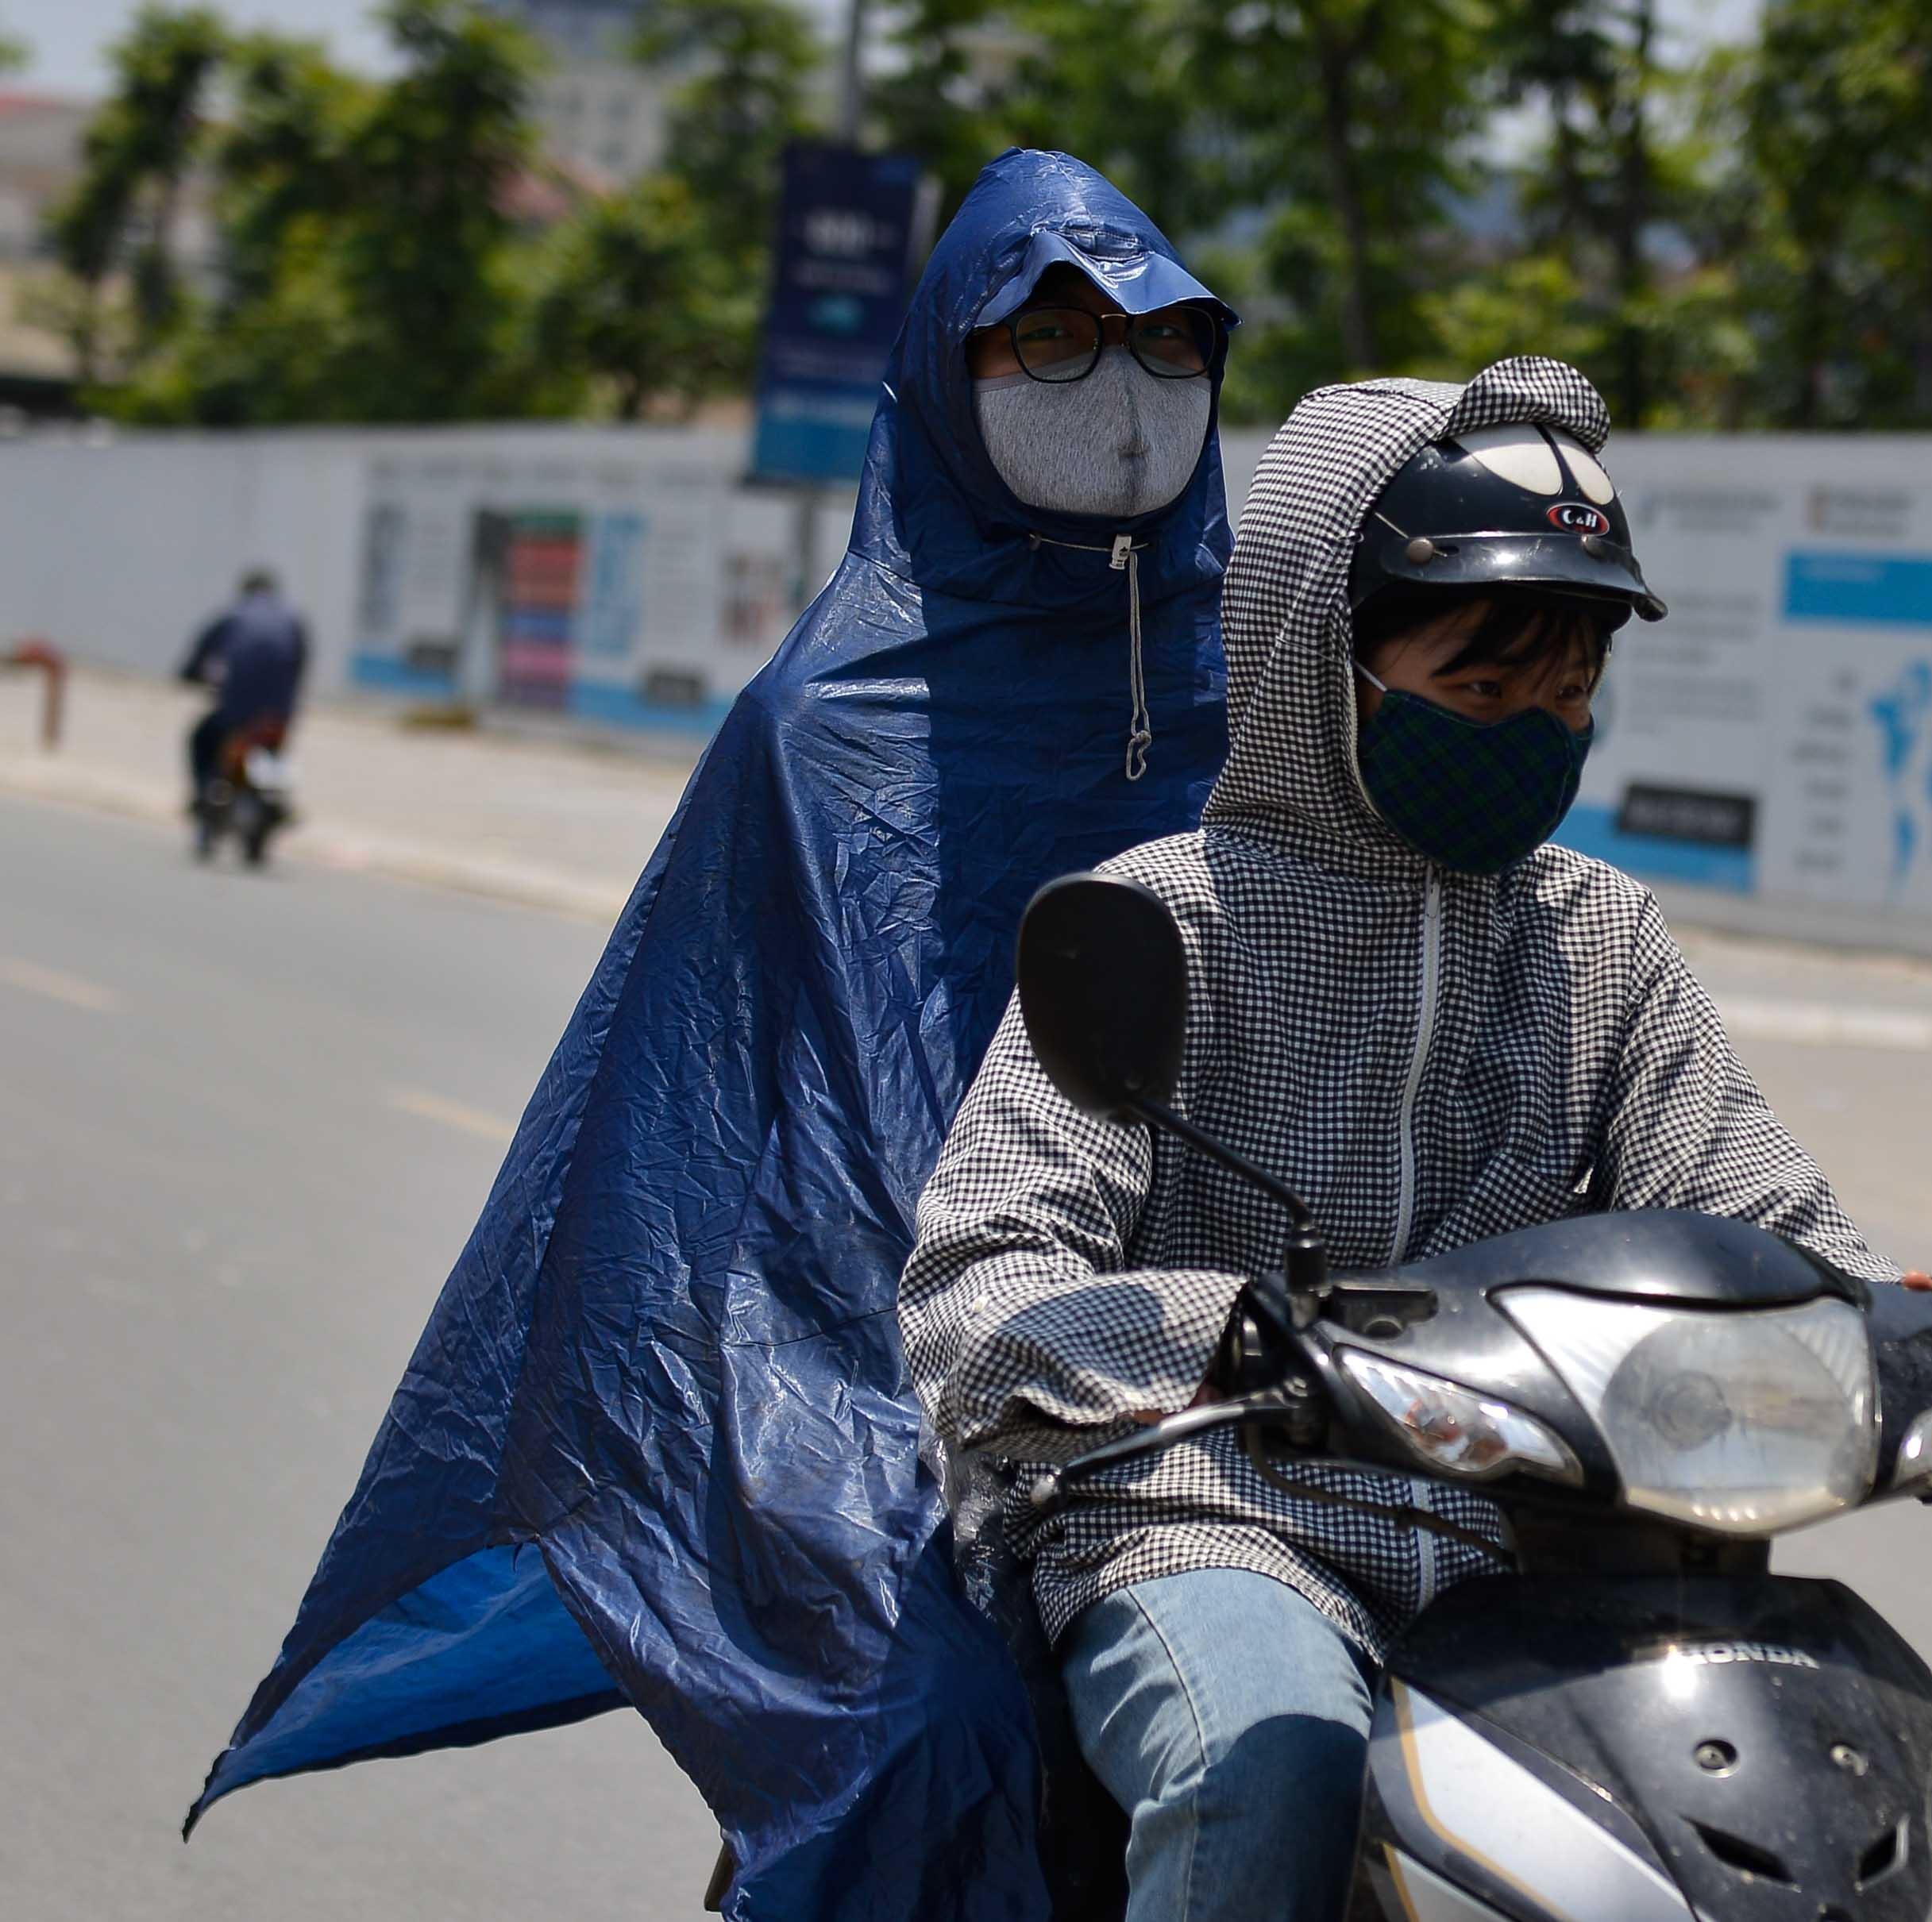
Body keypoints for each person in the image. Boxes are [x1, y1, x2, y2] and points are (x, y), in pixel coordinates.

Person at [897, 357, 1932, 1922]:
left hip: (1536, 1553)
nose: (1539, 730)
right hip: (1210, 1525)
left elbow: (1758, 1220)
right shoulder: (1162, 924)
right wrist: (1244, 1340)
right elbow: (983, 1281)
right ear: (1317, 656)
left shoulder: (1598, 937)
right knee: (1269, 1763)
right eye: (1485, 688)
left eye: (1567, 693)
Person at [196, 152, 1234, 1920]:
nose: (1112, 396)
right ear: (942, 376)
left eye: (1154, 342)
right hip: (872, 1368)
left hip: (1233, 1344)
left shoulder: (1257, 687)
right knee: (940, 1722)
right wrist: (899, 1377)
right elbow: (738, 1120)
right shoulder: (820, 718)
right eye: (1043, 342)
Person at [178, 568, 306, 813]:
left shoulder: (234, 615)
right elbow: (301, 663)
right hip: (279, 709)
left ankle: (203, 790)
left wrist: (188, 674)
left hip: (239, 705)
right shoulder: (292, 619)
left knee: (202, 737)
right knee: (276, 745)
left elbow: (202, 652)